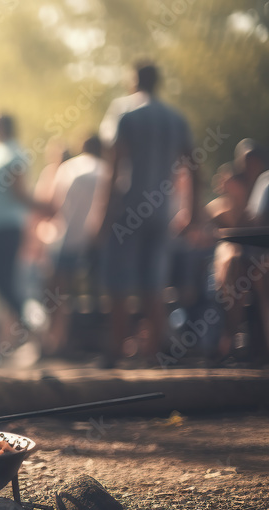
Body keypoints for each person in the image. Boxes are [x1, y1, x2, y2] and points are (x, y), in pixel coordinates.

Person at [93, 62, 196, 366]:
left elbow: (115, 166)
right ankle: (156, 351)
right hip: (161, 210)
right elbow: (194, 166)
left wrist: (103, 213)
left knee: (119, 282)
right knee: (154, 282)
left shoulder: (125, 112)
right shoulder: (176, 118)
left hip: (128, 209)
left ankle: (116, 349)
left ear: (133, 81)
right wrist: (192, 211)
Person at [0, 113, 52, 346]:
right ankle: (7, 337)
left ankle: (34, 334)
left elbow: (20, 193)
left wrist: (46, 208)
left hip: (7, 226)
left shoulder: (14, 153)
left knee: (6, 284)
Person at [43, 136, 106, 355]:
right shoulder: (107, 170)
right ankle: (98, 344)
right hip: (97, 241)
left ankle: (57, 341)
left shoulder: (68, 168)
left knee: (58, 293)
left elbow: (54, 204)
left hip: (68, 238)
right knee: (98, 292)